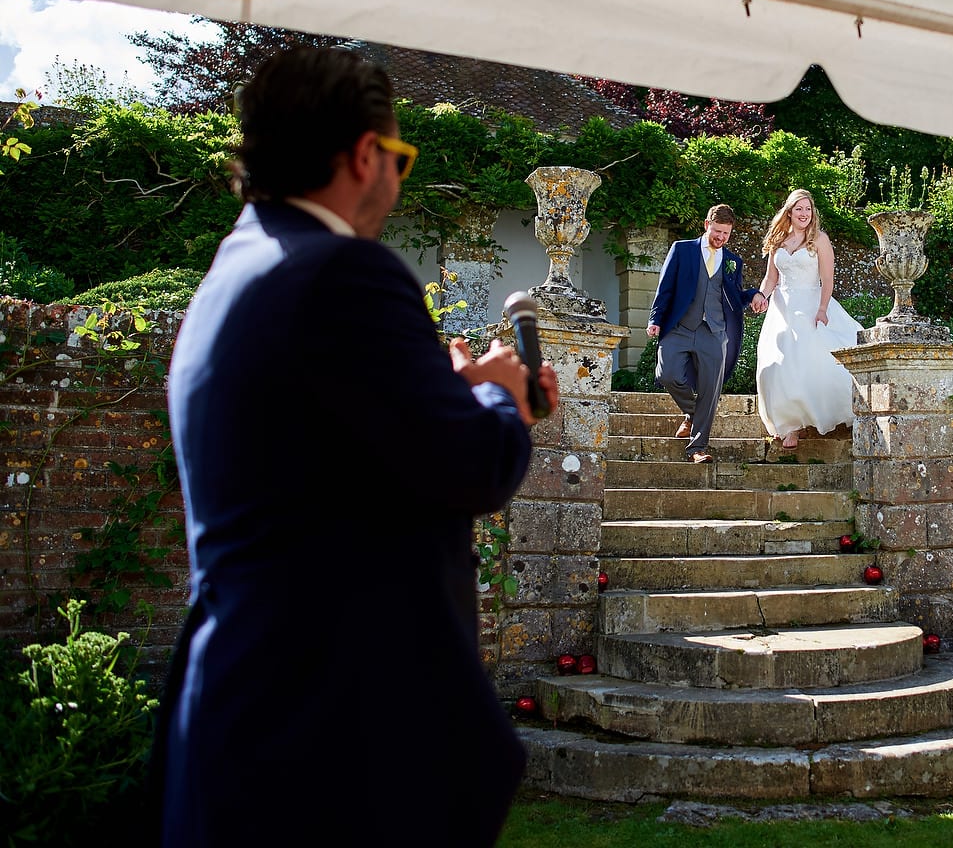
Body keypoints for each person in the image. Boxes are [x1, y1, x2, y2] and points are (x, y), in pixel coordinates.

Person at [155, 46, 557, 848]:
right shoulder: (344, 273)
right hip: (333, 742)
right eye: (401, 158)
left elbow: (353, 456)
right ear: (365, 154)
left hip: (248, 713)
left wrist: (450, 393)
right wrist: (499, 396)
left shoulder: (236, 267)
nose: (398, 179)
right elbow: (472, 467)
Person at [647, 204, 766, 463]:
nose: (721, 237)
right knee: (666, 374)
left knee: (710, 389)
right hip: (680, 327)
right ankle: (693, 413)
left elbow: (735, 296)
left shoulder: (733, 261)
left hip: (714, 331)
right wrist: (655, 319)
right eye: (717, 231)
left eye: (726, 233)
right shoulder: (682, 250)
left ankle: (697, 448)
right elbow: (665, 287)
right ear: (706, 225)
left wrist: (755, 294)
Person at [755, 189, 863, 449]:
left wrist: (823, 308)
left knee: (811, 360)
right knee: (779, 365)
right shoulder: (778, 239)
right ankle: (790, 425)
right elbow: (771, 278)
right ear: (789, 212)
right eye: (799, 209)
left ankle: (815, 416)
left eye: (808, 209)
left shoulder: (820, 239)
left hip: (811, 304)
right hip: (782, 309)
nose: (804, 214)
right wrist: (761, 295)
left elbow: (827, 279)